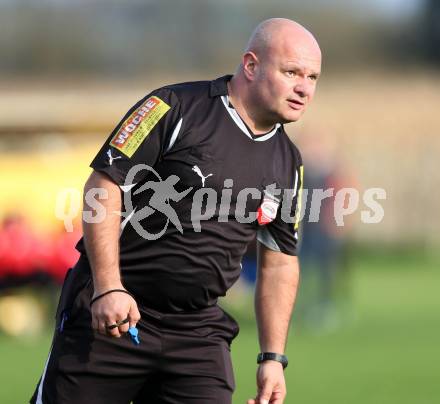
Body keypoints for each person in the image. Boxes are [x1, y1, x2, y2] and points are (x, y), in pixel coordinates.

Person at [30, 18, 322, 404]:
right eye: (291, 72)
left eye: (313, 77)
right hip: (115, 316)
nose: (303, 88)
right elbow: (103, 187)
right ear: (251, 65)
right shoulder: (171, 107)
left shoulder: (289, 163)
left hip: (198, 333)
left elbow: (280, 261)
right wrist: (109, 287)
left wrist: (273, 357)